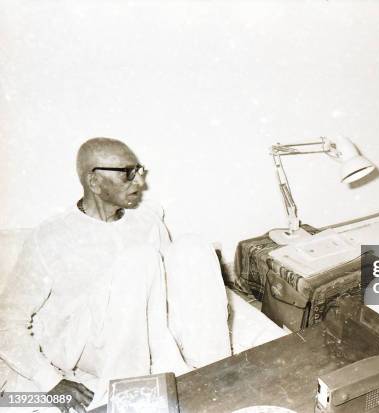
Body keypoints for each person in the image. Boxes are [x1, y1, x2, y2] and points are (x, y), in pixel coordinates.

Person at [0, 138, 232, 412]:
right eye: (128, 173)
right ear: (94, 182)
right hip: (89, 344)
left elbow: (171, 290)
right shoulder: (49, 238)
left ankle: (216, 374)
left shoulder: (146, 220)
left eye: (140, 171)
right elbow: (7, 320)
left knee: (193, 246)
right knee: (140, 259)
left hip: (153, 333)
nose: (140, 183)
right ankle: (129, 397)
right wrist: (50, 382)